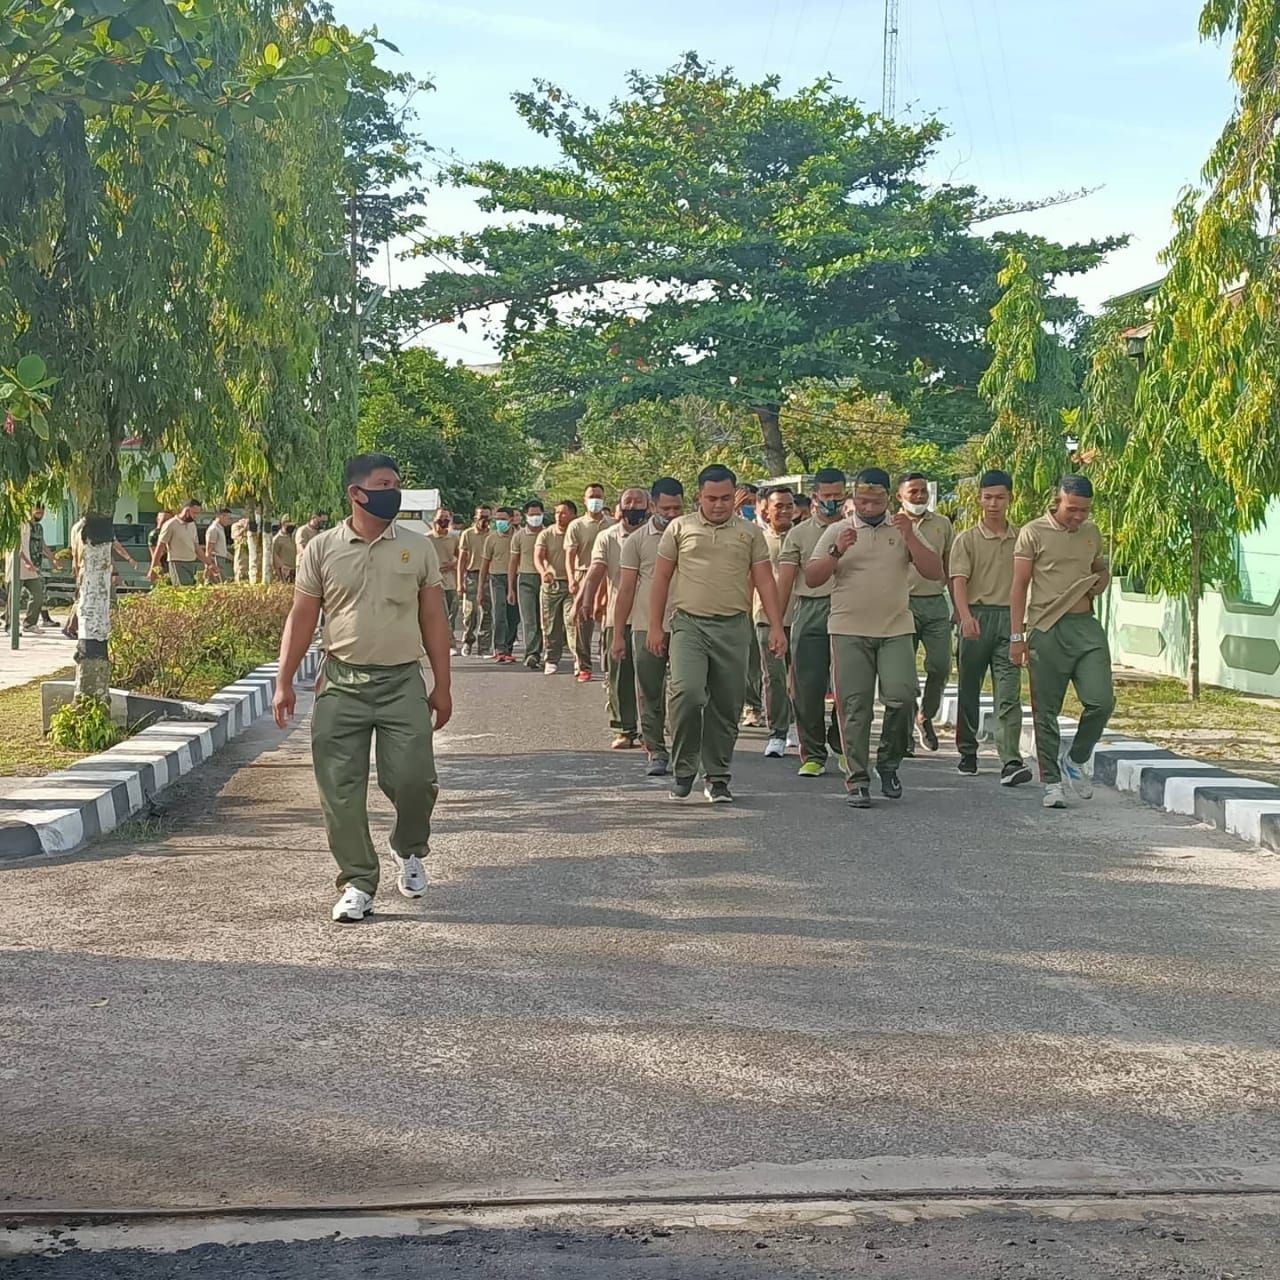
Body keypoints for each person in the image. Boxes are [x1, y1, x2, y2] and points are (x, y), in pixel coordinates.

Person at [273, 452, 452, 924]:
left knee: (414, 780)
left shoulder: (418, 547)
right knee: (340, 788)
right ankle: (357, 881)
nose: (394, 492)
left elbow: (434, 618)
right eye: (384, 485)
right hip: (341, 682)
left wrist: (443, 684)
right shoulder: (322, 548)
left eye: (396, 483)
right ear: (356, 493)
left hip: (402, 682)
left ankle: (408, 847)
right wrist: (284, 681)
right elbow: (302, 617)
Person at [805, 468, 945, 808]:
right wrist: (836, 551)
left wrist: (910, 538)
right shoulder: (838, 530)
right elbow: (812, 578)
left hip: (895, 629)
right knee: (855, 707)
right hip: (848, 630)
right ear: (853, 498)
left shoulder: (902, 528)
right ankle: (857, 779)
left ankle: (888, 761)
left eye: (876, 501)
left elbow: (934, 571)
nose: (869, 507)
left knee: (903, 696)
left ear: (888, 499)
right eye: (863, 501)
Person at [648, 464, 787, 804]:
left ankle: (718, 776)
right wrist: (655, 626)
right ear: (699, 497)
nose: (719, 505)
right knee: (687, 693)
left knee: (726, 705)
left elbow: (765, 580)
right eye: (711, 498)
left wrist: (776, 626)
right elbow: (661, 578)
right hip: (689, 625)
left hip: (733, 626)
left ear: (734, 497)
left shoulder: (749, 533)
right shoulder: (680, 528)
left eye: (726, 498)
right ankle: (684, 768)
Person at [1010, 475, 1114, 810]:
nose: (1079, 516)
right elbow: (1018, 586)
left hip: (1085, 626)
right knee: (1046, 712)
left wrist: (1100, 581)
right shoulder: (1033, 532)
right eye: (1072, 509)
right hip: (1046, 629)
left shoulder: (1091, 532)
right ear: (1058, 501)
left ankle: (1076, 758)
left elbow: (1100, 569)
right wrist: (1017, 637)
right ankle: (1052, 784)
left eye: (1085, 510)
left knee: (1101, 701)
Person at [950, 469, 1032, 786]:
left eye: (1000, 497)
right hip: (977, 616)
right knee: (969, 689)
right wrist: (965, 616)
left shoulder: (1022, 538)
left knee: (1009, 692)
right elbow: (959, 581)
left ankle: (1010, 760)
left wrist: (1021, 628)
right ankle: (967, 750)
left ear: (1011, 498)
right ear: (979, 499)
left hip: (1010, 618)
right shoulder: (967, 539)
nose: (994, 504)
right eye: (988, 497)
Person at [777, 468, 848, 778]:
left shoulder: (856, 528)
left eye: (837, 495)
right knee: (807, 687)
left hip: (849, 609)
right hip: (810, 610)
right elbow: (785, 582)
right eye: (826, 495)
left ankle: (843, 745)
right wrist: (778, 625)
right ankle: (814, 754)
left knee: (849, 685)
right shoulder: (798, 534)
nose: (832, 501)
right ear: (815, 496)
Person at [614, 478, 684, 776]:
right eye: (665, 508)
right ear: (653, 506)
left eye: (677, 508)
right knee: (649, 691)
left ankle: (685, 750)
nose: (671, 514)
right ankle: (656, 749)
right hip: (645, 625)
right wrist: (618, 634)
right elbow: (626, 589)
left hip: (686, 624)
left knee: (686, 691)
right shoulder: (637, 541)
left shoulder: (692, 534)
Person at [578, 487, 649, 748]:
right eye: (628, 501)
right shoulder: (608, 537)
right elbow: (596, 570)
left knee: (651, 676)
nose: (633, 506)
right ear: (619, 506)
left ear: (649, 506)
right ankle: (624, 728)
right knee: (619, 675)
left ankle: (651, 730)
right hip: (618, 617)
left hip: (651, 616)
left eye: (639, 501)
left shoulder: (658, 535)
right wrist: (587, 600)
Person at [897, 472, 954, 754]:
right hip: (901, 605)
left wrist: (959, 608)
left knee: (941, 665)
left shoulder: (942, 523)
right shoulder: (890, 524)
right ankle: (904, 730)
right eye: (913, 492)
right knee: (903, 673)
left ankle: (926, 715)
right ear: (900, 496)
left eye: (923, 491)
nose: (919, 497)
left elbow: (951, 566)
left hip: (935, 603)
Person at [755, 485, 797, 758]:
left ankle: (799, 728)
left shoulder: (803, 536)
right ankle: (777, 733)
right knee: (775, 678)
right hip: (766, 618)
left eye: (788, 505)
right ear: (766, 510)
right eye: (778, 506)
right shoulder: (757, 539)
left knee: (802, 679)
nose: (784, 510)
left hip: (800, 615)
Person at [566, 484, 614, 682]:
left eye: (598, 496)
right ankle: (584, 666)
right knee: (583, 622)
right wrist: (572, 579)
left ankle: (609, 663)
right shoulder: (576, 525)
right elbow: (570, 555)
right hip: (584, 574)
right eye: (591, 496)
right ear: (584, 500)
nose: (595, 500)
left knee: (608, 621)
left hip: (609, 575)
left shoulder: (613, 524)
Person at [534, 500, 576, 674]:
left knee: (572, 622)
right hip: (552, 585)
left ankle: (579, 660)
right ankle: (551, 659)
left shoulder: (576, 531)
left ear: (573, 515)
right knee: (550, 624)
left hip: (572, 584)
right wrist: (543, 571)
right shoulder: (546, 534)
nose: (559, 516)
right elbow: (538, 556)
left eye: (563, 513)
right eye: (557, 512)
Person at [477, 507, 518, 663]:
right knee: (499, 613)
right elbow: (484, 565)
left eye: (503, 519)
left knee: (513, 616)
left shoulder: (519, 536)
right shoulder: (491, 538)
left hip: (516, 578)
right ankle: (500, 648)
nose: (500, 522)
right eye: (497, 519)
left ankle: (508, 648)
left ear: (511, 519)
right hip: (497, 578)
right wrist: (480, 589)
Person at [509, 500, 545, 669]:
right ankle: (532, 653)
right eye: (532, 514)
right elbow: (513, 563)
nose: (535, 517)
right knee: (529, 619)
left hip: (545, 579)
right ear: (525, 516)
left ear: (543, 514)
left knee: (544, 619)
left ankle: (547, 651)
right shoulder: (519, 536)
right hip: (525, 579)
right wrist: (511, 588)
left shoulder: (548, 533)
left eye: (538, 514)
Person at [148, 499, 218, 586]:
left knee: (191, 589)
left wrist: (210, 564)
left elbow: (196, 548)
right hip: (177, 563)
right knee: (183, 589)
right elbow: (160, 547)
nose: (196, 516)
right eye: (194, 513)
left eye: (197, 513)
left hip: (191, 562)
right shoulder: (170, 524)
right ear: (187, 511)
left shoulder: (192, 525)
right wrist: (153, 569)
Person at [457, 505, 493, 657]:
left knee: (487, 612)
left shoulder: (493, 535)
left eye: (487, 517)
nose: (484, 520)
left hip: (490, 576)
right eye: (481, 517)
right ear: (475, 518)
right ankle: (468, 640)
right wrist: (460, 582)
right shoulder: (468, 534)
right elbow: (462, 560)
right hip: (472, 575)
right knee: (470, 612)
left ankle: (484, 646)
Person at [16, 508, 56, 632]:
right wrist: (26, 562)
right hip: (22, 566)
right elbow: (18, 547)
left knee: (38, 593)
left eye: (42, 513)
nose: (40, 515)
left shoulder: (39, 527)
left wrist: (53, 557)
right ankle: (9, 621)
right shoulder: (23, 526)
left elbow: (42, 544)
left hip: (35, 565)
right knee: (15, 596)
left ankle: (30, 623)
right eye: (38, 512)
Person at [427, 509, 461, 649]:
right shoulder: (427, 539)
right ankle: (449, 643)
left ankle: (446, 639)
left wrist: (453, 564)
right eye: (441, 517)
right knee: (441, 614)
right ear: (434, 518)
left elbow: (461, 557)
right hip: (435, 583)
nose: (444, 520)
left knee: (452, 614)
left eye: (447, 517)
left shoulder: (454, 538)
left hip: (451, 582)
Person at [205, 508, 235, 584]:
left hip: (221, 558)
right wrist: (208, 565)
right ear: (221, 516)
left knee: (219, 582)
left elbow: (221, 547)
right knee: (220, 581)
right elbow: (209, 548)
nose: (228, 521)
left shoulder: (220, 528)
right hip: (216, 559)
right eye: (227, 518)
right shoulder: (213, 529)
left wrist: (231, 557)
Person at [271, 519, 298, 584]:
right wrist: (280, 574)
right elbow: (274, 558)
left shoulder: (293, 536)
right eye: (289, 525)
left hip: (295, 570)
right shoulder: (277, 539)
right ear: (283, 524)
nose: (291, 527)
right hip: (285, 573)